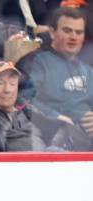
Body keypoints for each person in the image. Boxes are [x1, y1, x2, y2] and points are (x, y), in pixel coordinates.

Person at [18, 7, 93, 139]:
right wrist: (56, 117)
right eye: (67, 31)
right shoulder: (36, 61)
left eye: (78, 32)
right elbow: (23, 99)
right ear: (52, 33)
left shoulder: (88, 70)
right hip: (53, 134)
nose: (73, 37)